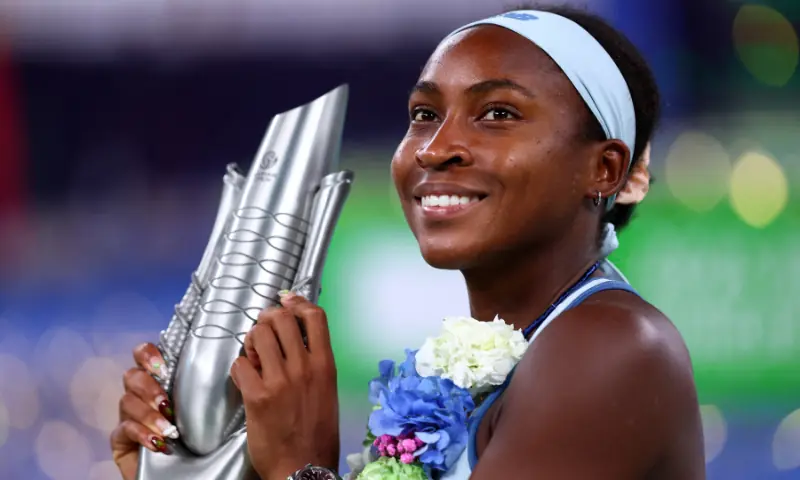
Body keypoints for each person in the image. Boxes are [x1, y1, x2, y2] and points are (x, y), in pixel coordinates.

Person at [111, 4, 705, 479]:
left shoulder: (614, 348)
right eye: (424, 113)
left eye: (497, 114)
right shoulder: (473, 366)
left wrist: (302, 467)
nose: (433, 147)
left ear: (603, 170)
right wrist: (199, 465)